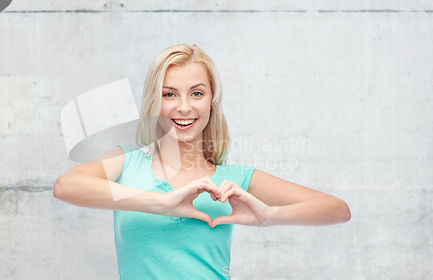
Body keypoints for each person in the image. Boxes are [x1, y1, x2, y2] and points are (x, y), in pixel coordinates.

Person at [53, 44, 351, 279]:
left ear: (211, 101)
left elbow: (337, 209)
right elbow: (66, 186)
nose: (184, 107)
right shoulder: (125, 163)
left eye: (196, 93)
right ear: (154, 102)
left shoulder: (235, 179)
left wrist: (270, 215)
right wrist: (162, 202)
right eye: (169, 94)